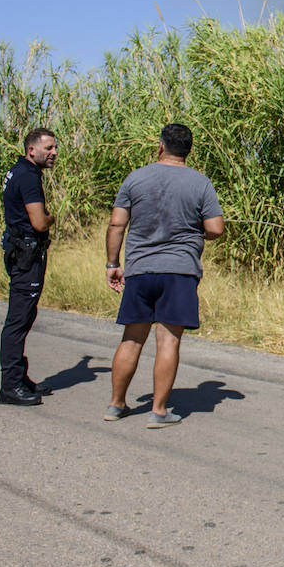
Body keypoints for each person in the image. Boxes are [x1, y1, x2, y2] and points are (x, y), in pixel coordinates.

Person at [104, 123, 225, 428]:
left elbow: (117, 224)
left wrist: (112, 263)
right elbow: (215, 228)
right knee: (168, 341)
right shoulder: (200, 183)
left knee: (132, 339)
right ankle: (158, 411)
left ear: (160, 146)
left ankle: (116, 404)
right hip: (179, 271)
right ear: (189, 150)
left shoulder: (136, 178)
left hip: (140, 269)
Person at [0, 127, 59, 405]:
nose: (54, 153)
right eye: (48, 148)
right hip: (26, 254)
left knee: (23, 317)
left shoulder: (18, 171)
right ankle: (10, 386)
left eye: (55, 148)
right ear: (31, 150)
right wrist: (51, 218)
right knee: (18, 320)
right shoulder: (29, 176)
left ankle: (19, 378)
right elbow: (38, 221)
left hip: (19, 249)